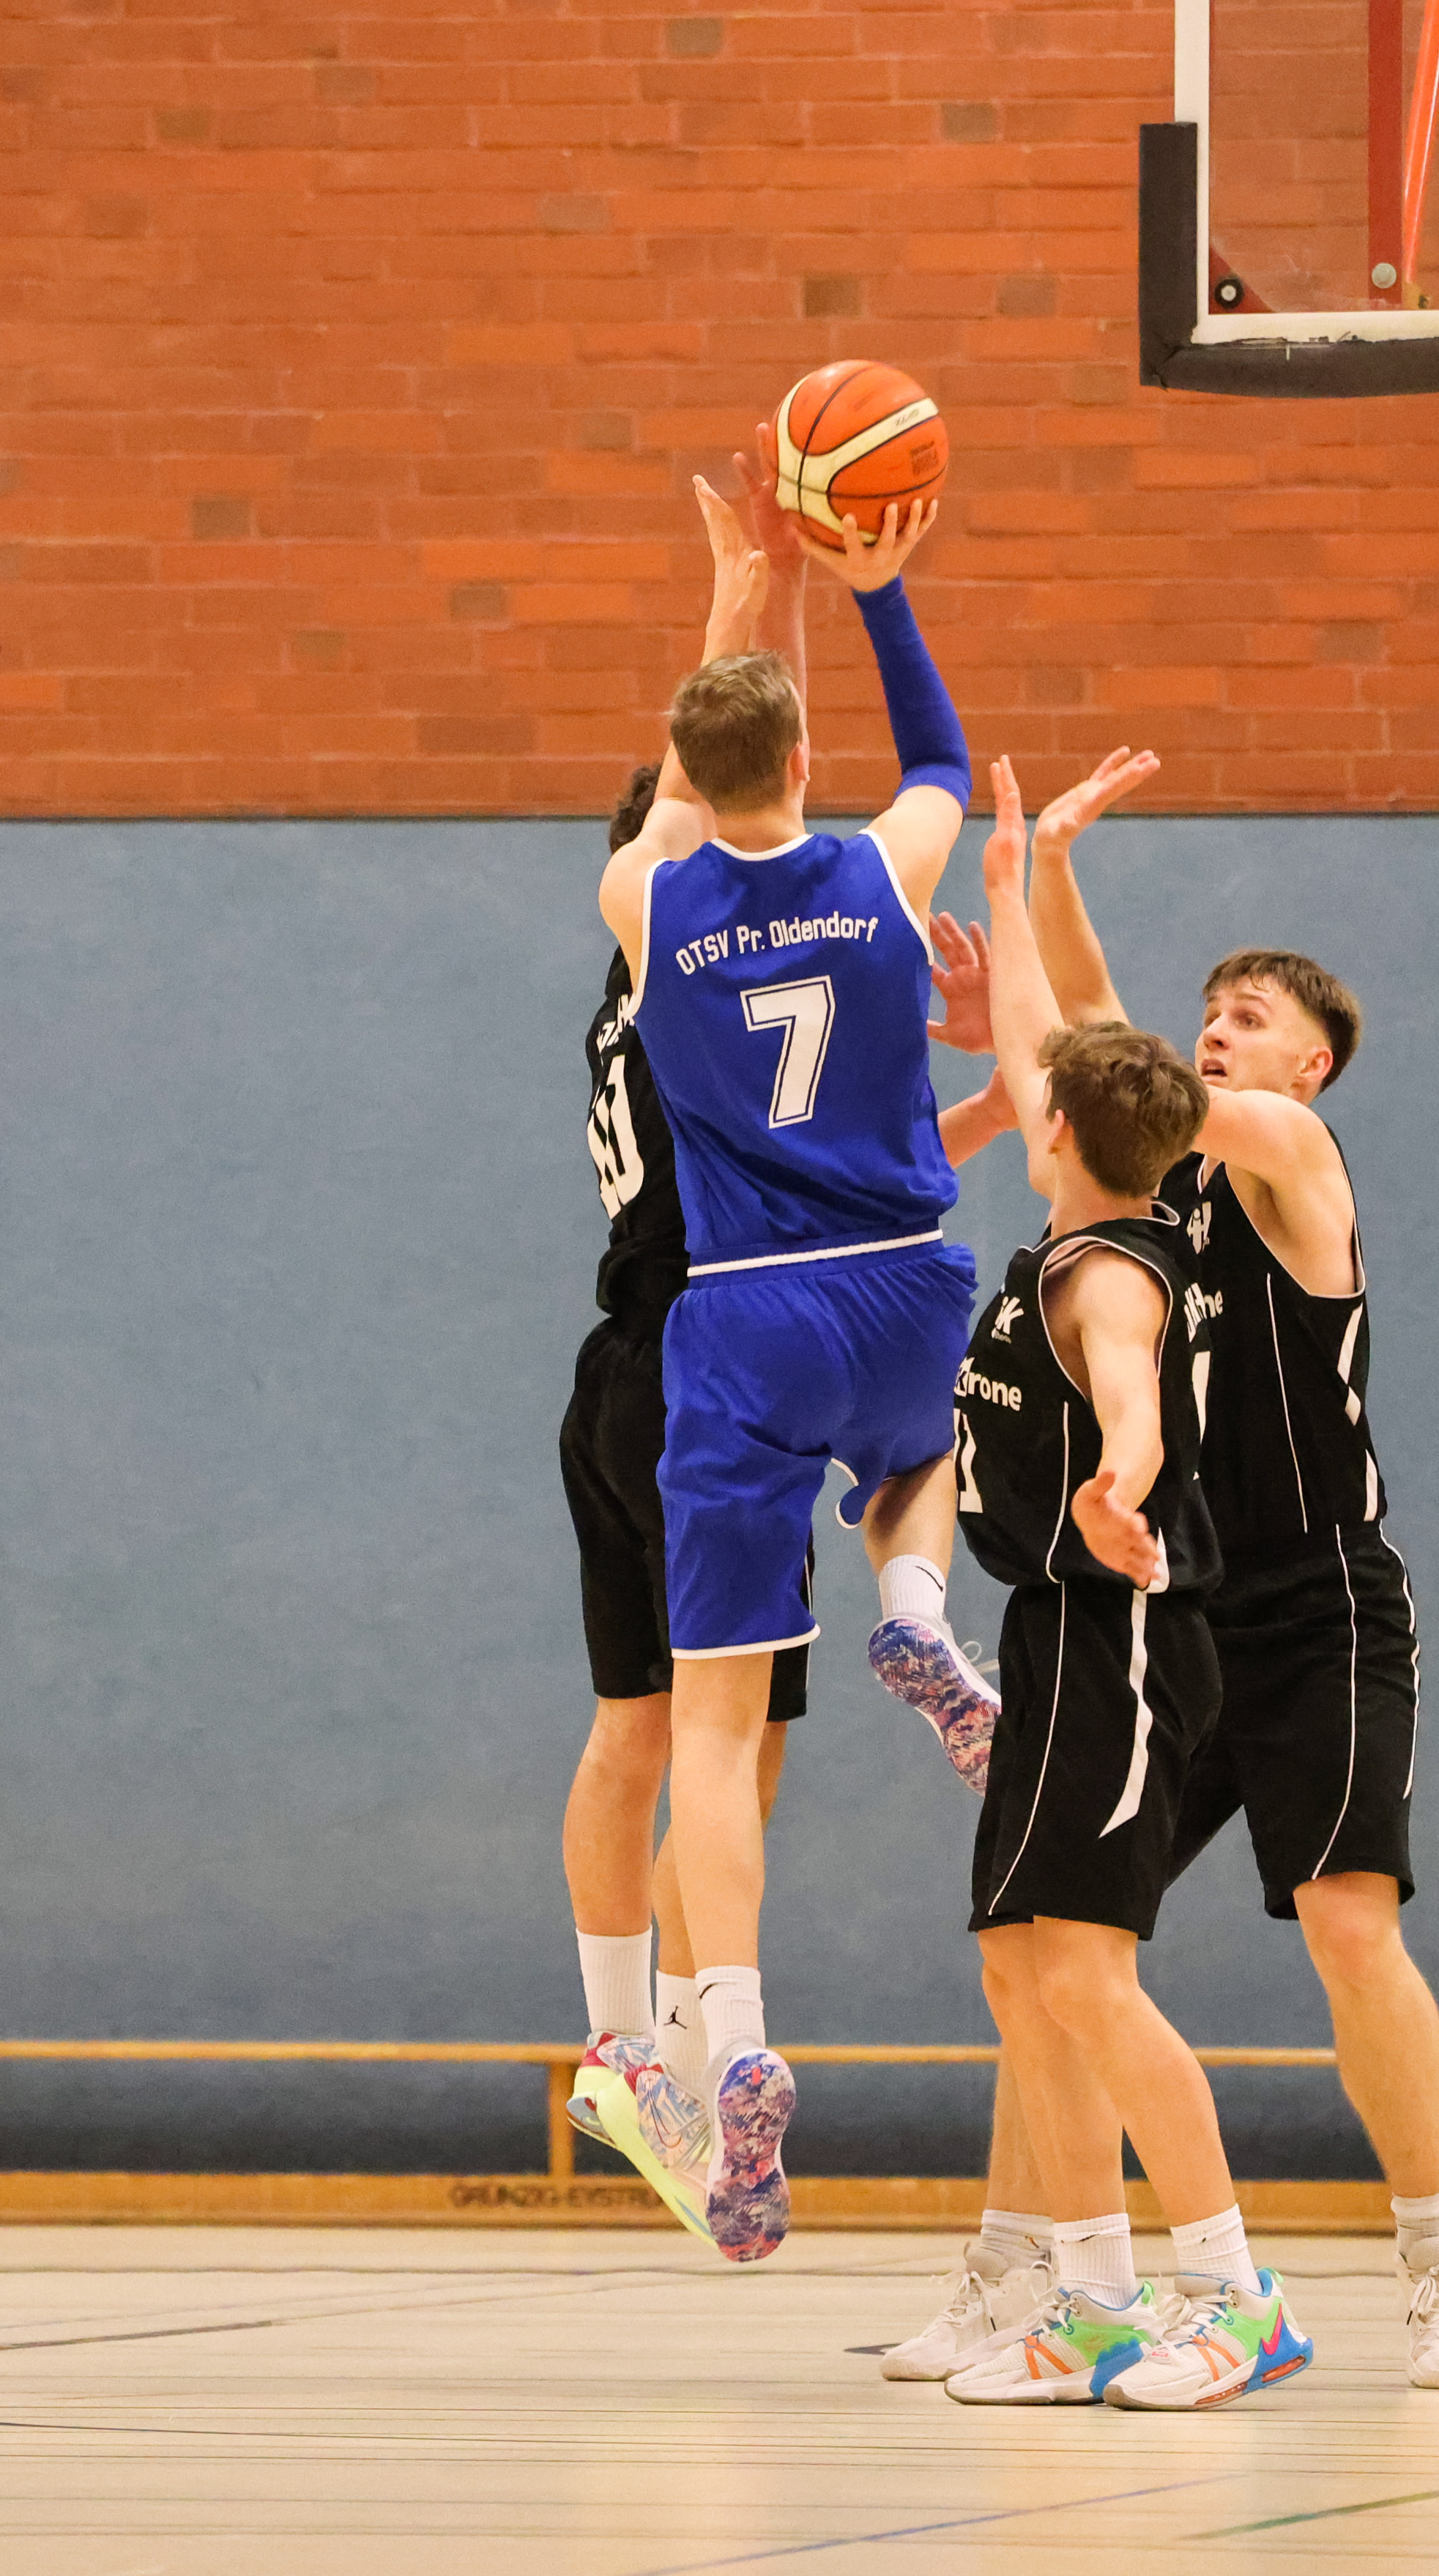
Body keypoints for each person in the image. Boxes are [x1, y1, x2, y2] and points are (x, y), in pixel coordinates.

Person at [1020, 749, 1439, 2389]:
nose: (1216, 1029)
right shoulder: (1167, 1185)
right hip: (1184, 1607)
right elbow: (1105, 1054)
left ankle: (1436, 2267)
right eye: (1208, 1011)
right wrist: (1048, 870)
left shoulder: (1293, 1157)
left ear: (1312, 1060)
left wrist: (1058, 1000)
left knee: (1348, 1927)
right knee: (1060, 1939)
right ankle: (1035, 2275)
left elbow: (1111, 1064)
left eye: (1247, 1016)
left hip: (1321, 1601)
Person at [595, 470, 973, 2263]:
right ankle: (916, 1600)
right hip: (900, 1280)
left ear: (686, 770)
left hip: (744, 1314)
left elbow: (682, 798)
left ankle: (733, 2035)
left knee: (716, 1730)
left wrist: (731, 609)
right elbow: (943, 761)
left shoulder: (645, 897)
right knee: (924, 1456)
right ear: (807, 763)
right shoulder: (887, 868)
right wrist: (875, 587)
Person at [925, 758, 1311, 2412]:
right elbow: (1036, 1038)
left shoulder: (1108, 1275)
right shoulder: (1089, 1207)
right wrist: (1008, 885)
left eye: (1039, 1099)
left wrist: (1119, 1483)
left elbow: (1136, 1400)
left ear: (1062, 1136)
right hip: (1056, 1625)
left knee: (1086, 1971)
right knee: (1022, 1973)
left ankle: (1234, 2292)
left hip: (1130, 1632)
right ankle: (1087, 2303)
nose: (1023, 1097)